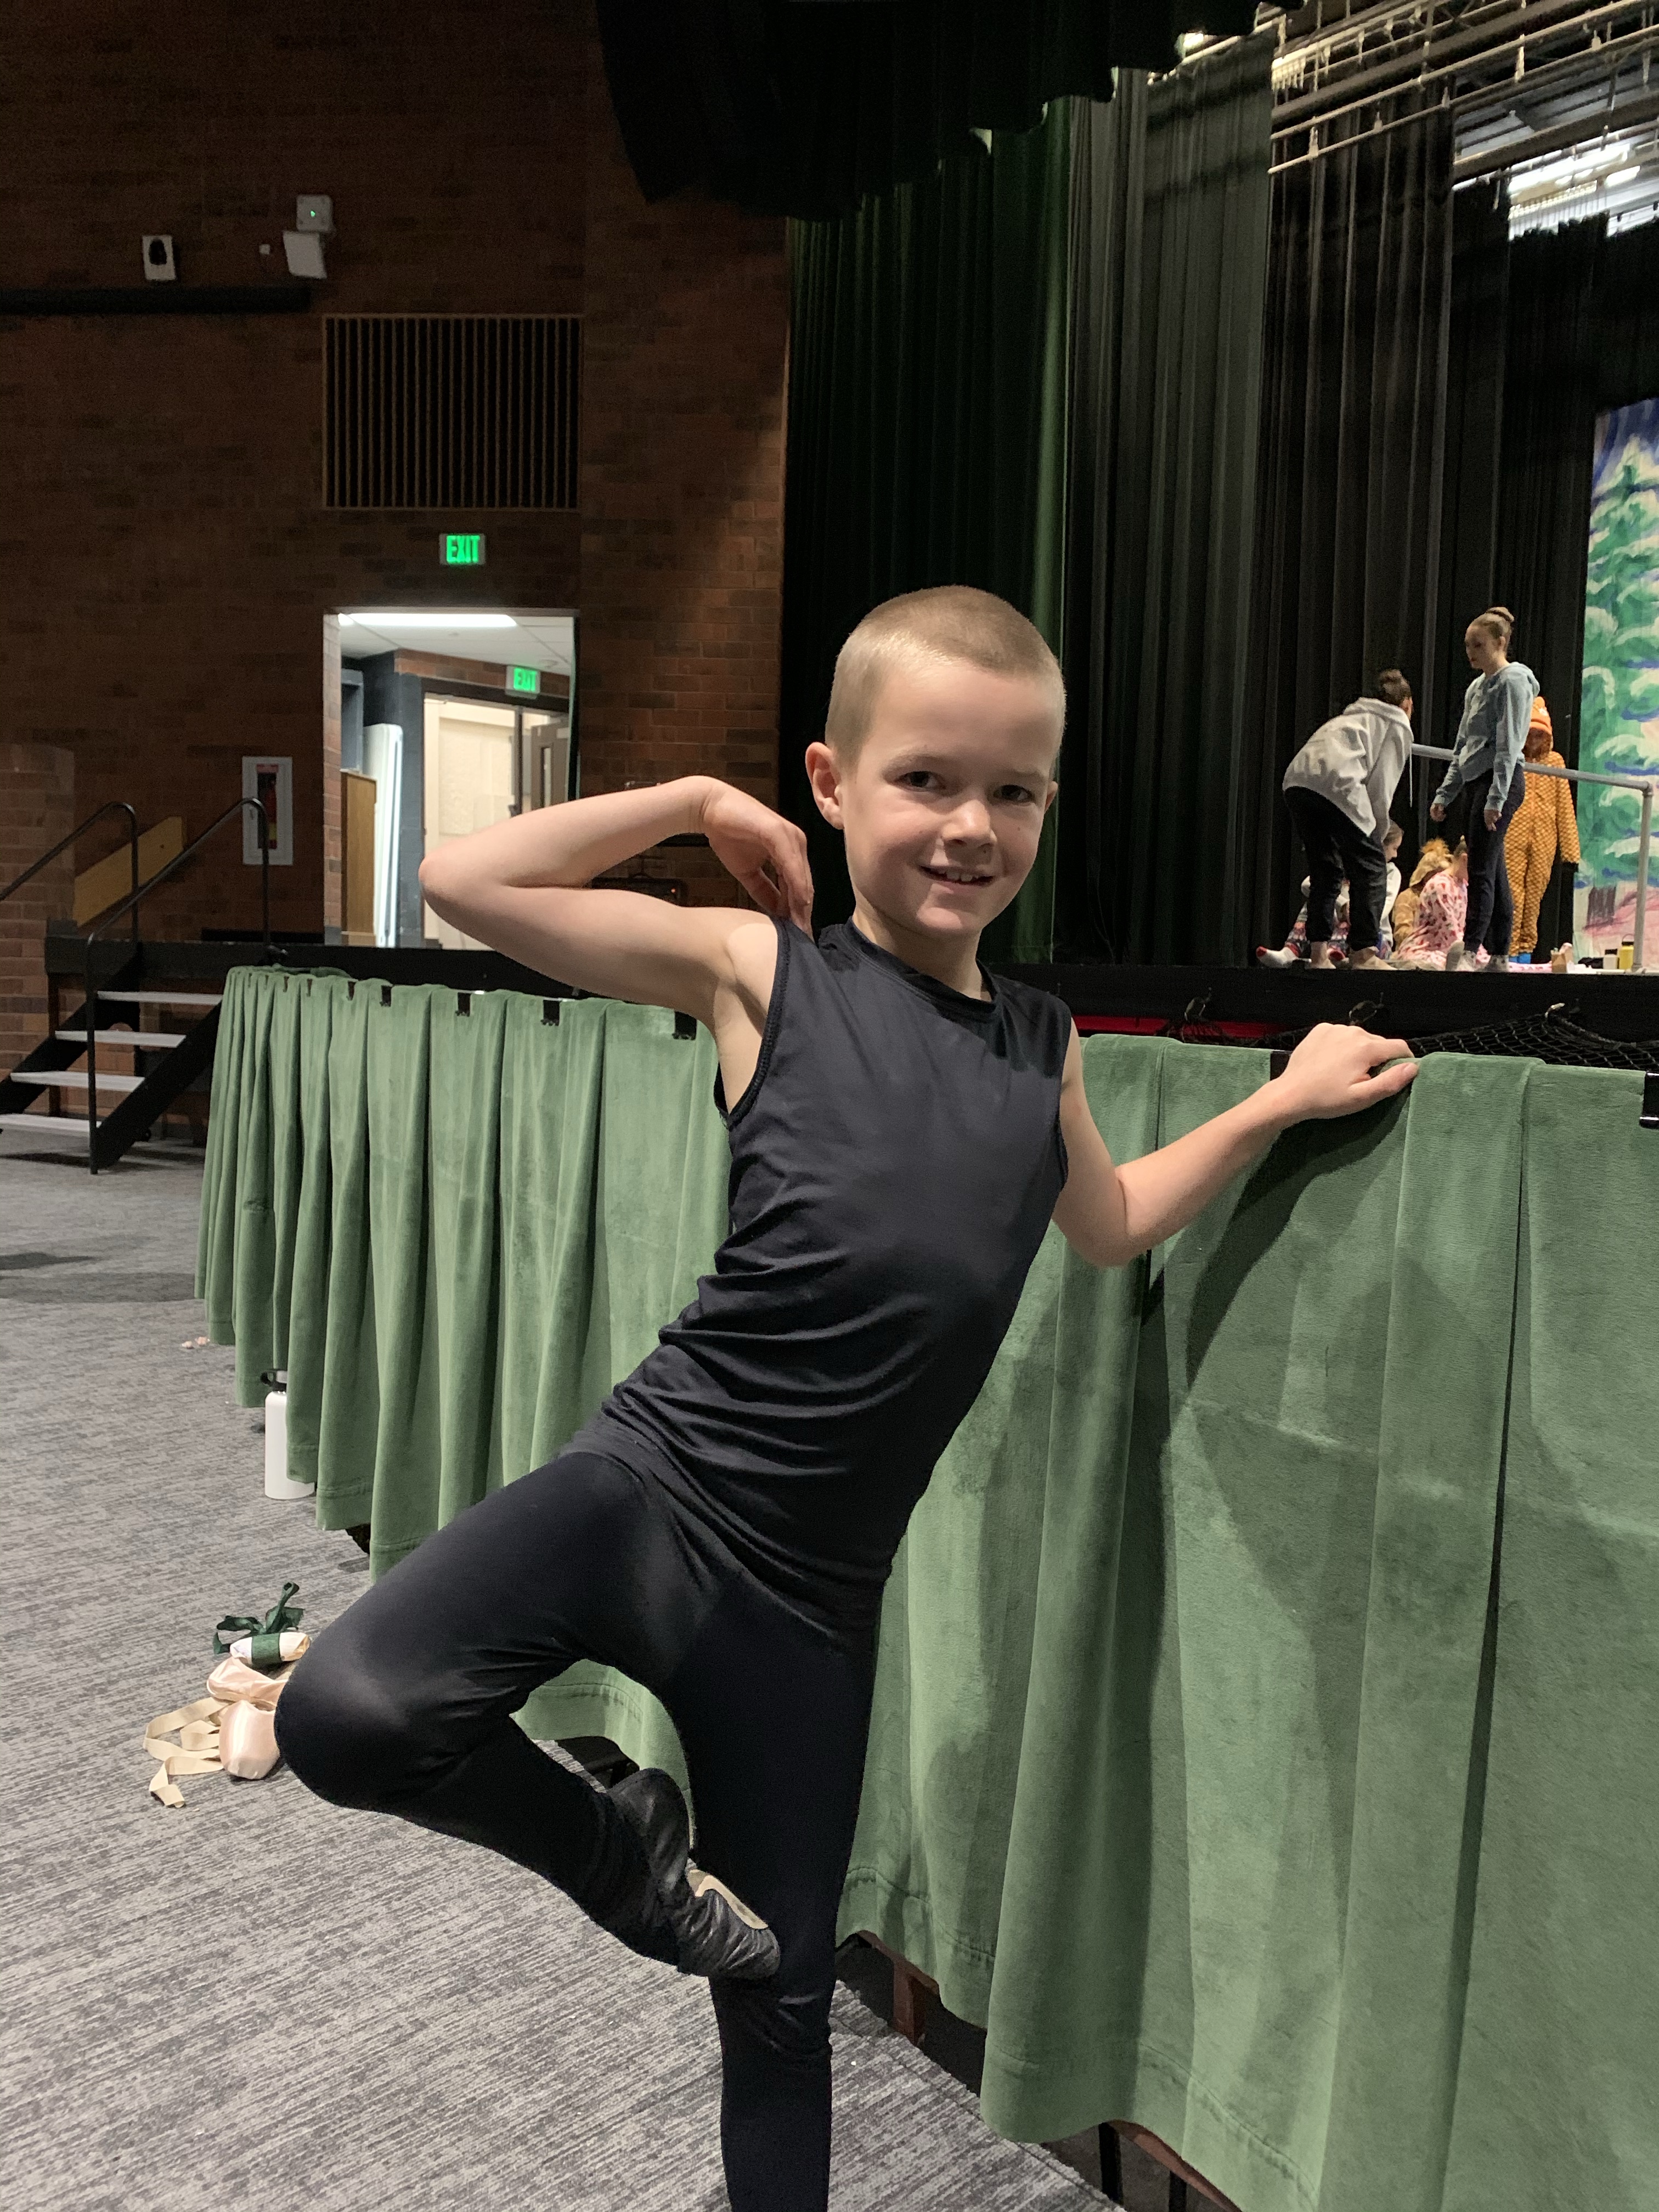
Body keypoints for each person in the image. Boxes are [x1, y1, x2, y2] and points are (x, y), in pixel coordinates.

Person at [272, 586, 1417, 2212]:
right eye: (924, 780)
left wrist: (1277, 1104)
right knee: (347, 1710)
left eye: (1012, 791)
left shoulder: (1041, 1043)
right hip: (649, 1495)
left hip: (810, 1610)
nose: (970, 826)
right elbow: (465, 880)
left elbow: (1107, 1227)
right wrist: (696, 801)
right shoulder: (762, 972)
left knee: (783, 1996)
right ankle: (619, 1853)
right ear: (830, 781)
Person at [1280, 673, 1415, 974]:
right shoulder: (1395, 722)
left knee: (1325, 869)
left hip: (1297, 781)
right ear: (1408, 704)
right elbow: (1381, 789)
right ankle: (1364, 953)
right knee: (1372, 868)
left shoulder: (1352, 716)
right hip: (1337, 783)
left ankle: (1319, 956)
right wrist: (1376, 838)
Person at [1430, 605, 1538, 972]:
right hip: (1477, 782)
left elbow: (1509, 744)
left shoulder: (1513, 681)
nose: (1471, 653)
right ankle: (1500, 954)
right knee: (1493, 867)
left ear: (1501, 643)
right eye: (1467, 646)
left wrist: (1497, 798)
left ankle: (1472, 948)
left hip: (1500, 782)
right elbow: (1464, 746)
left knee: (1479, 868)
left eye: (1479, 645)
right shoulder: (1476, 687)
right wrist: (1446, 792)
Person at [1259, 822, 1405, 968]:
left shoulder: (1391, 872)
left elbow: (1380, 910)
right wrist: (1343, 905)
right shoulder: (1346, 865)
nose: (1396, 855)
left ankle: (1334, 953)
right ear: (1379, 845)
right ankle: (1290, 951)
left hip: (1373, 943)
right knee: (1314, 902)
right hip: (1336, 933)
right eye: (1394, 848)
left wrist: (1353, 910)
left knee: (1356, 914)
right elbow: (1307, 884)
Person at [1504, 695, 1581, 960]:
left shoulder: (1555, 762)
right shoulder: (1513, 759)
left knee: (1534, 898)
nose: (1534, 740)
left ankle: (1525, 953)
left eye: (1539, 735)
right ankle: (1509, 953)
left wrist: (1570, 852)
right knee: (1513, 897)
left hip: (1544, 842)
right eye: (1530, 734)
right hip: (1512, 838)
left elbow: (1565, 806)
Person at [1390, 839, 1471, 969]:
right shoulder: (1439, 886)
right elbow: (1450, 931)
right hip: (1427, 949)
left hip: (1449, 946)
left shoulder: (1462, 886)